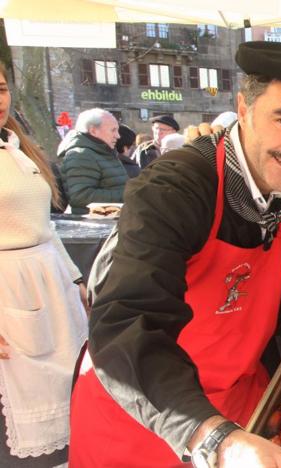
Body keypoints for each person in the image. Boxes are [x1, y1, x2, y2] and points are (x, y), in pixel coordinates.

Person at [68, 41, 281, 467]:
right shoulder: (176, 187)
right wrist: (211, 435)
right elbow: (128, 322)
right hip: (146, 415)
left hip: (240, 407)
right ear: (243, 108)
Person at [0, 62, 87, 467]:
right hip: (9, 290)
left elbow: (44, 226)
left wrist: (75, 279)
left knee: (68, 391)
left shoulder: (17, 148)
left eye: (1, 88)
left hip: (50, 284)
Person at [58, 108, 126, 214]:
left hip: (107, 221)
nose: (118, 136)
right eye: (113, 130)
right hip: (96, 226)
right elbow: (81, 196)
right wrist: (128, 194)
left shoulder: (101, 152)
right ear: (93, 130)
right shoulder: (80, 155)